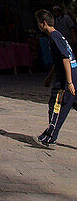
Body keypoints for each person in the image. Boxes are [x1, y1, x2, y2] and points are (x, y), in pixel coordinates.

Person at [36, 9, 76, 146]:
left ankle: (50, 135)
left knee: (56, 105)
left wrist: (69, 82)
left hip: (67, 78)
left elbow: (65, 58)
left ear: (44, 23)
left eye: (38, 23)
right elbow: (58, 60)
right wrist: (49, 77)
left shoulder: (54, 36)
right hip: (72, 74)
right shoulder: (57, 35)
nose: (38, 26)